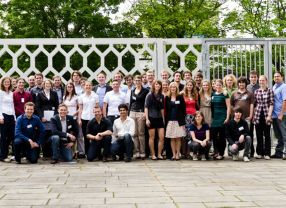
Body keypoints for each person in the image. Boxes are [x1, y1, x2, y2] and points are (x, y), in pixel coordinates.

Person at [35, 79, 59, 158]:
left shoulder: (54, 93)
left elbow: (57, 105)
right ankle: (45, 154)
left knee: (52, 133)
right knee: (44, 134)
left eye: (49, 84)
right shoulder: (39, 94)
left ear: (51, 85)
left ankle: (52, 153)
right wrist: (41, 117)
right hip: (44, 118)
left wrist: (55, 116)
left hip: (52, 117)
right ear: (43, 85)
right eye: (46, 84)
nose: (48, 85)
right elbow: (37, 107)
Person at [253, 75, 274, 160]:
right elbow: (255, 104)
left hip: (266, 115)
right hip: (258, 115)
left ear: (266, 81)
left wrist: (269, 115)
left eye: (263, 80)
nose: (261, 82)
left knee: (267, 135)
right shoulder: (256, 91)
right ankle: (259, 153)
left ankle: (267, 153)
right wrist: (254, 115)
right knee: (259, 135)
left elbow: (271, 104)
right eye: (260, 80)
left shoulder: (270, 91)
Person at [165, 82, 186, 160]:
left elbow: (184, 109)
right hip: (170, 120)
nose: (173, 88)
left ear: (176, 88)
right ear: (169, 88)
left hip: (178, 120)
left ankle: (177, 154)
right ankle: (173, 154)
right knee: (172, 138)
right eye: (171, 87)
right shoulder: (167, 97)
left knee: (178, 138)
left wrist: (182, 118)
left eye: (174, 87)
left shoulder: (180, 97)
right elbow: (166, 110)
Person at [129, 75, 149, 159]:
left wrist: (145, 113)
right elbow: (131, 102)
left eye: (139, 80)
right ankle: (136, 151)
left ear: (141, 81)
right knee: (134, 133)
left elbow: (146, 103)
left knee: (141, 133)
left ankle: (142, 152)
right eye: (136, 80)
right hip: (132, 112)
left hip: (141, 112)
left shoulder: (145, 90)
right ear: (134, 81)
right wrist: (129, 112)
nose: (137, 82)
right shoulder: (132, 90)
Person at [145, 80, 165, 160]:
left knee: (161, 137)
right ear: (154, 85)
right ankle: (153, 154)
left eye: (159, 84)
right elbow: (146, 107)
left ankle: (159, 154)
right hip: (151, 117)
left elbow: (162, 108)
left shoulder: (161, 95)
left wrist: (163, 119)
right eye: (156, 84)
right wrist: (147, 119)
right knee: (152, 137)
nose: (158, 85)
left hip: (159, 118)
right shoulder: (149, 95)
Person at [211, 79, 231, 160]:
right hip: (215, 118)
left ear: (222, 86)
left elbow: (228, 107)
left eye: (220, 85)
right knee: (214, 136)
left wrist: (227, 117)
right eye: (217, 85)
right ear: (214, 86)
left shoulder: (225, 94)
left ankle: (221, 153)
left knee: (222, 137)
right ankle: (216, 152)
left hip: (222, 117)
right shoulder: (212, 94)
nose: (218, 86)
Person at [78, 81, 99, 155]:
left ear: (92, 86)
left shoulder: (95, 96)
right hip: (84, 118)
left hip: (94, 118)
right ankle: (87, 153)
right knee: (86, 136)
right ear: (84, 86)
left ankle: (96, 153)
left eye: (89, 85)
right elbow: (80, 109)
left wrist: (98, 118)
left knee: (95, 135)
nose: (88, 87)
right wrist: (79, 119)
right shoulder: (81, 97)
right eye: (86, 85)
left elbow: (97, 108)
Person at [181, 80, 198, 158]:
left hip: (193, 117)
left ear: (193, 86)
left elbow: (197, 106)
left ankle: (190, 152)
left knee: (191, 135)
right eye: (188, 85)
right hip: (186, 117)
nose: (189, 86)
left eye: (191, 85)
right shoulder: (182, 94)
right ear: (186, 86)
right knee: (185, 135)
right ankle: (184, 152)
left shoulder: (195, 94)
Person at [0, 77, 16, 161]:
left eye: (8, 82)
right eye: (5, 82)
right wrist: (0, 117)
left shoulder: (11, 93)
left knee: (11, 136)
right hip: (4, 116)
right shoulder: (1, 92)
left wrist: (15, 117)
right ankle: (3, 156)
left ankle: (12, 154)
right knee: (4, 137)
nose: (7, 83)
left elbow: (12, 106)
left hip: (11, 116)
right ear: (2, 83)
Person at [271, 71, 286, 159]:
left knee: (284, 134)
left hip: (282, 115)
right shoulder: (274, 87)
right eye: (275, 76)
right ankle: (278, 153)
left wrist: (281, 114)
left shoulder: (284, 87)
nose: (276, 78)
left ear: (282, 77)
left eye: (278, 76)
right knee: (278, 135)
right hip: (274, 115)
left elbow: (285, 100)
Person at [246, 70, 260, 157]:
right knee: (249, 133)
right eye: (251, 77)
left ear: (257, 78)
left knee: (258, 133)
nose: (253, 78)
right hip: (249, 113)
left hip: (259, 113)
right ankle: (250, 152)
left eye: (255, 77)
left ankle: (259, 152)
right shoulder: (247, 87)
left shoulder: (260, 86)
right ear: (249, 78)